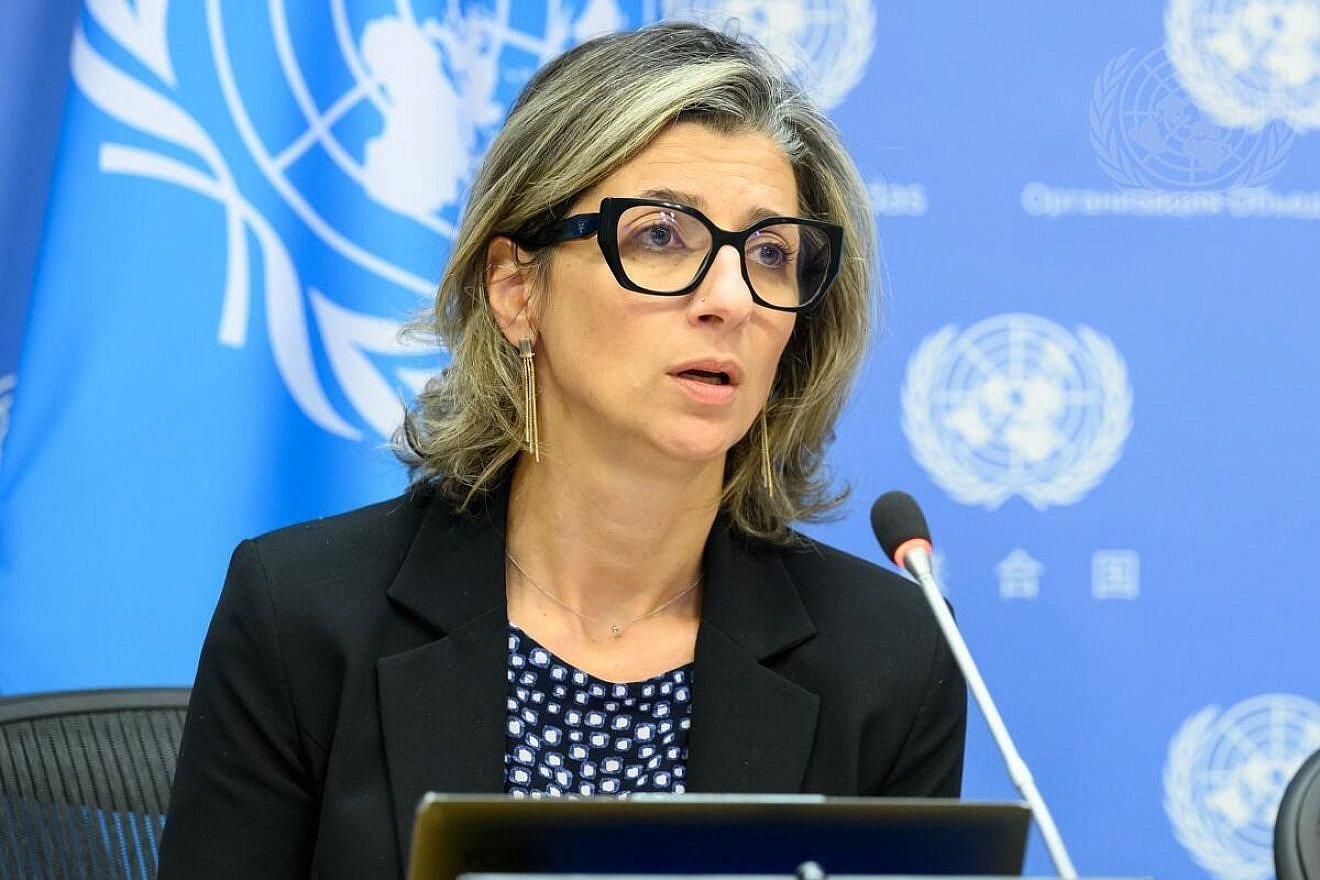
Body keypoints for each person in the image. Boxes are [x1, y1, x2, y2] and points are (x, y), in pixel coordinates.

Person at [157, 21, 966, 880]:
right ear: (516, 291)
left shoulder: (892, 659)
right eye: (662, 235)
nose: (731, 297)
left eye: (769, 253)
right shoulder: (305, 615)